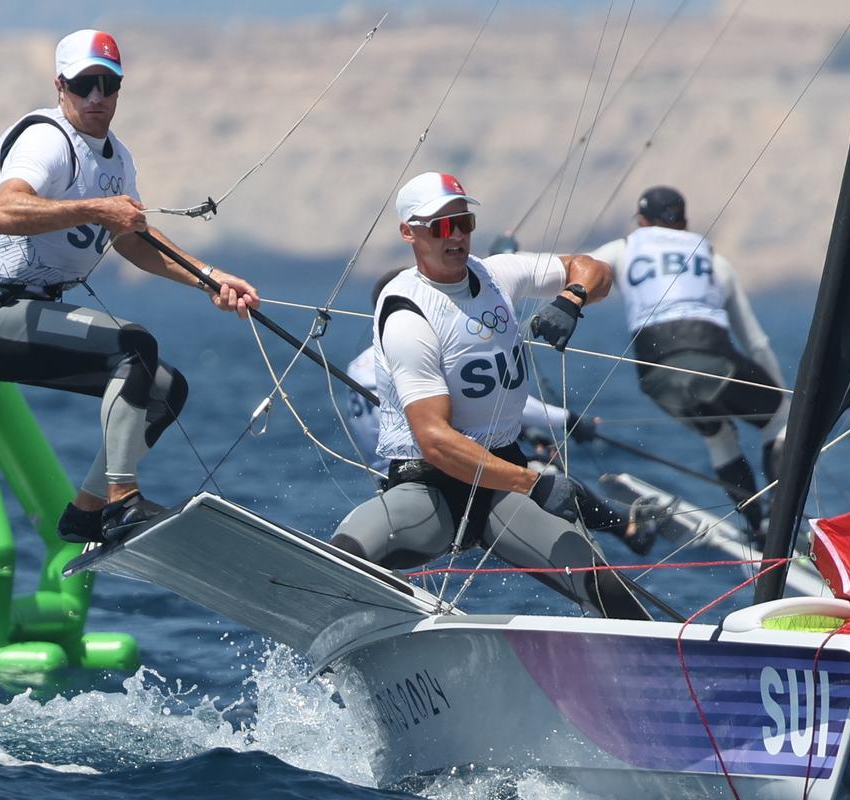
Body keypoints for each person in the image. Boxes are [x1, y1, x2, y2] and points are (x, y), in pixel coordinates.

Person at [0, 29, 260, 544]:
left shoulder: (118, 160)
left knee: (165, 389)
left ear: (119, 88)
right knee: (134, 347)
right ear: (60, 86)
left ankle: (86, 511)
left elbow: (134, 242)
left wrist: (210, 278)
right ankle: (123, 502)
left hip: (32, 311)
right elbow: (2, 213)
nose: (96, 97)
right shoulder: (46, 139)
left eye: (108, 84)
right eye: (83, 84)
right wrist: (98, 208)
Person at [331, 171, 651, 620]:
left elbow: (595, 269)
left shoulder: (498, 274)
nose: (456, 235)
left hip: (501, 485)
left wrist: (571, 298)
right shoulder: (406, 313)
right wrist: (535, 484)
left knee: (607, 588)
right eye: (441, 226)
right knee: (345, 553)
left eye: (464, 222)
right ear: (409, 232)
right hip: (430, 490)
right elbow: (435, 441)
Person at [347, 269, 652, 552]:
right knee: (549, 476)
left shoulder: (358, 366)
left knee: (529, 455)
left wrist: (525, 432)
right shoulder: (416, 351)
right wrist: (569, 420)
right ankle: (628, 530)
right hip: (443, 479)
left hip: (389, 482)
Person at [587, 185, 788, 535]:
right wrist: (781, 399)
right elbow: (757, 343)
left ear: (641, 221)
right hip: (716, 361)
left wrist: (510, 257)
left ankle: (757, 523)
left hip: (655, 375)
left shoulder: (624, 249)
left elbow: (574, 268)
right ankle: (782, 521)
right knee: (780, 419)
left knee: (719, 436)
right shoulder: (714, 260)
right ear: (684, 221)